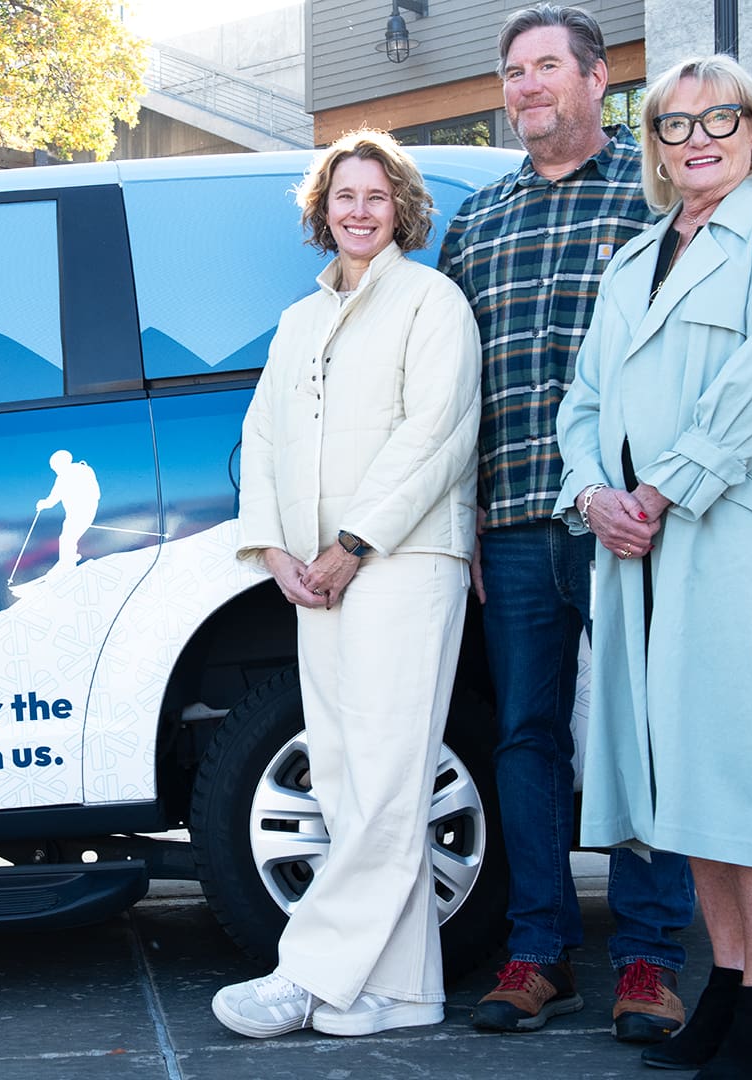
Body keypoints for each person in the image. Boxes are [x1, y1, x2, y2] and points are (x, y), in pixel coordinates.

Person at [555, 54, 752, 1079]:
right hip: (635, 549)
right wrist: (593, 496)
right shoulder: (632, 261)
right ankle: (724, 986)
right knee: (682, 774)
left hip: (735, 539)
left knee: (743, 765)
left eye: (720, 120)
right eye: (674, 127)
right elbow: (582, 402)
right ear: (657, 151)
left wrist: (663, 490)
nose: (698, 139)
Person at [438, 2, 696, 1042]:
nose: (528, 85)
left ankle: (649, 959)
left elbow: (692, 359)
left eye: (548, 66)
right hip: (511, 523)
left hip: (629, 524)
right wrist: (463, 531)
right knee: (526, 738)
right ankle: (540, 953)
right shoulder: (478, 220)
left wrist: (669, 492)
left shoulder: (658, 199)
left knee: (642, 735)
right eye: (514, 71)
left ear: (598, 82)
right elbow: (453, 396)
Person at [216, 130, 481, 1039]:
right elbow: (263, 440)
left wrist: (353, 543)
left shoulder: (431, 302)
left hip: (403, 564)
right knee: (344, 776)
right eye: (343, 196)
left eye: (375, 195)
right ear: (321, 211)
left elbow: (437, 435)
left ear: (399, 206)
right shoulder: (300, 322)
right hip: (315, 575)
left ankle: (309, 971)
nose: (359, 211)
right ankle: (405, 992)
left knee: (387, 773)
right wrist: (277, 551)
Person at [35, 449, 100, 574]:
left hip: (81, 511)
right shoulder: (81, 471)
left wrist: (43, 504)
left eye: (54, 467)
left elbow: (53, 498)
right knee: (67, 537)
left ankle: (67, 564)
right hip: (80, 511)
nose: (55, 470)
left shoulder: (68, 475)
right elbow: (53, 498)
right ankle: (68, 559)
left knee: (67, 538)